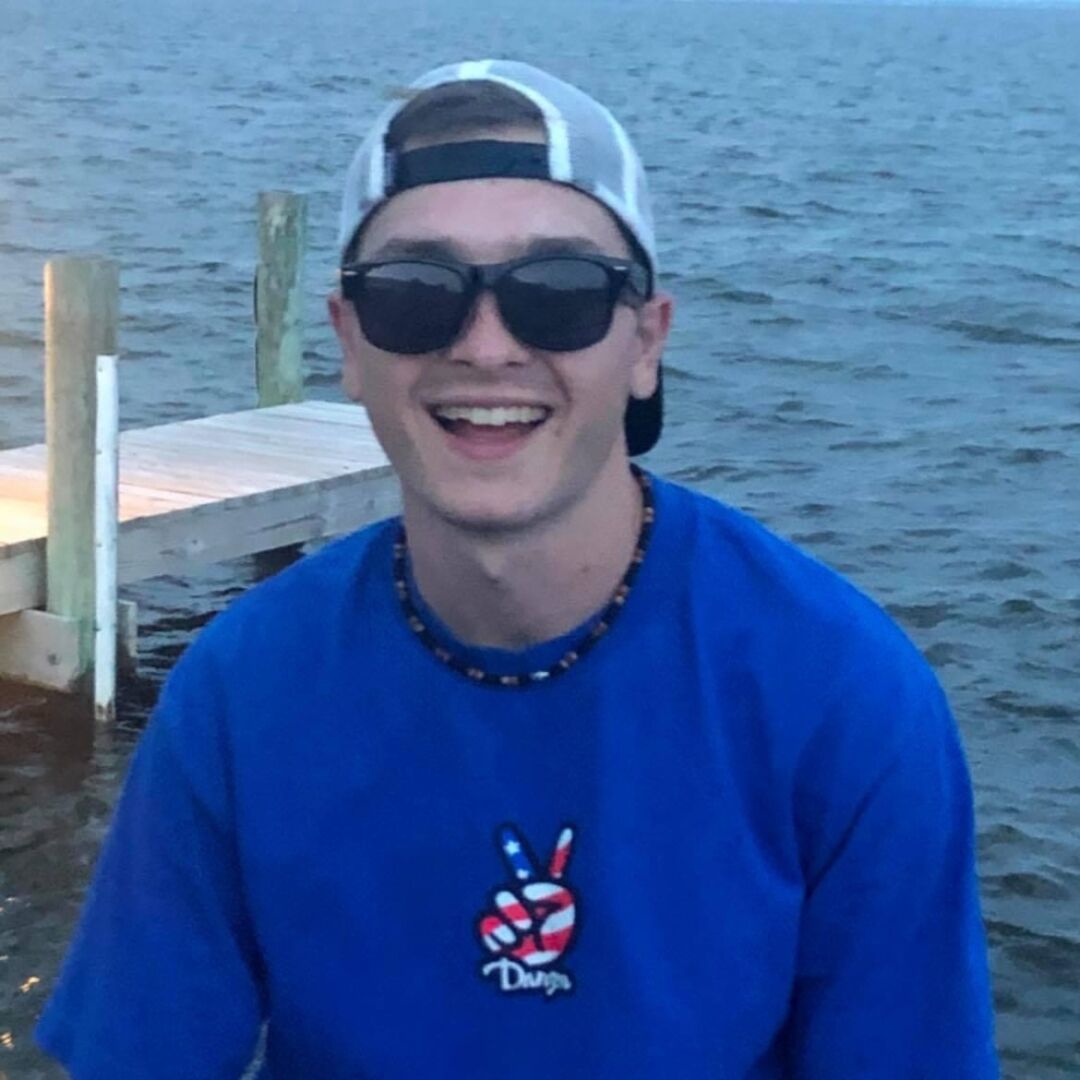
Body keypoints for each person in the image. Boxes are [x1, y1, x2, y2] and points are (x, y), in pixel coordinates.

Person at [36, 59, 998, 1078]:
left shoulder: (842, 697)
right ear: (350, 343)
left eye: (559, 294)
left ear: (646, 342)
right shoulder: (241, 691)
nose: (486, 347)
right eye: (416, 294)